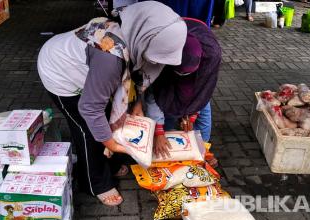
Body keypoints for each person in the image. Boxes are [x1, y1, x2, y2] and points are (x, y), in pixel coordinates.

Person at [37, 1, 187, 206]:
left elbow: (137, 74)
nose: (156, 63)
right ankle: (94, 183)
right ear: (144, 37)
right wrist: (111, 144)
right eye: (154, 56)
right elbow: (89, 108)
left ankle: (110, 162)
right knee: (87, 130)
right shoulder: (110, 57)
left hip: (89, 69)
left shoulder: (133, 31)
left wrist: (137, 104)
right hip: (59, 72)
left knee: (111, 118)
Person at [145, 18, 221, 164]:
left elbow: (204, 92)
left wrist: (192, 114)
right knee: (167, 107)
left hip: (200, 73)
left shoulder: (211, 56)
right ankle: (166, 146)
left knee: (203, 113)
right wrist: (159, 132)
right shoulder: (163, 59)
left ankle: (202, 150)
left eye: (187, 74)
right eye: (181, 73)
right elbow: (154, 97)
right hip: (170, 66)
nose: (184, 77)